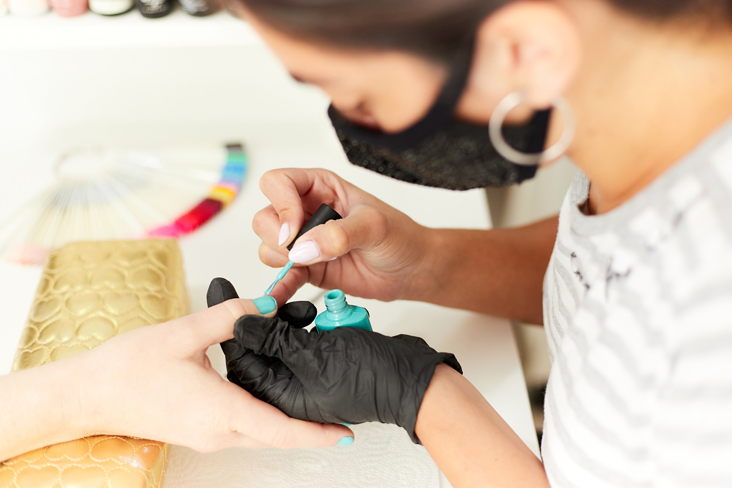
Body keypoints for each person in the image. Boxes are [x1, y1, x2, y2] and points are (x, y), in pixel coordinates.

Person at [2, 1, 732, 487]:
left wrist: (419, 393)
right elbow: (608, 266)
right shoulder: (663, 132)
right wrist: (427, 262)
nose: (356, 123)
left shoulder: (706, 313)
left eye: (359, 97)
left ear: (528, 47)